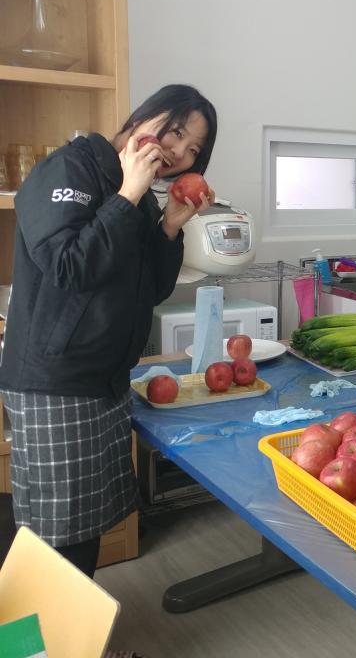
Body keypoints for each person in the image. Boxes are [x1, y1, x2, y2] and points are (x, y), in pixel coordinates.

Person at [0, 84, 217, 577]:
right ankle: (46, 628)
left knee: (82, 529)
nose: (179, 152)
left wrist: (169, 227)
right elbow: (67, 266)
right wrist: (128, 194)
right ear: (143, 116)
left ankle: (72, 624)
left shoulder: (138, 195)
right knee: (60, 540)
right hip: (57, 381)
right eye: (175, 131)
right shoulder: (70, 169)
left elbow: (152, 289)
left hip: (104, 380)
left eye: (193, 149)